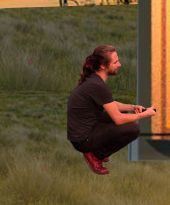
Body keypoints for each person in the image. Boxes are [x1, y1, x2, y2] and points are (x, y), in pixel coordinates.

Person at [67, 45, 156, 175]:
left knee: (123, 112)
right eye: (115, 62)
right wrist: (146, 114)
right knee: (134, 129)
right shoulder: (98, 85)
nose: (119, 64)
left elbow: (110, 104)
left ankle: (96, 150)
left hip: (84, 128)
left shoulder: (94, 79)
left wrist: (132, 107)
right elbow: (118, 120)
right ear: (103, 66)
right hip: (82, 140)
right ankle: (95, 155)